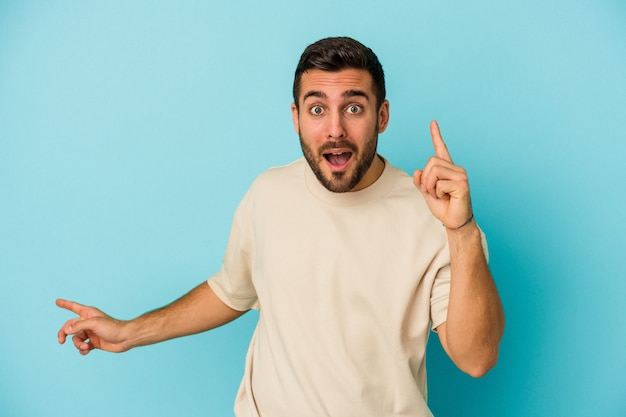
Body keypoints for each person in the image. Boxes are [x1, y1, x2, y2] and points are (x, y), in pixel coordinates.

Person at [57, 37, 504, 416]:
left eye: (353, 107)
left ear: (382, 116)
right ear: (295, 117)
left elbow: (477, 358)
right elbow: (231, 291)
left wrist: (461, 230)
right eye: (316, 109)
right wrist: (128, 331)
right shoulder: (268, 193)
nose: (334, 129)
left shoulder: (436, 215)